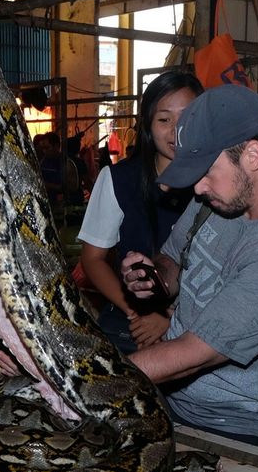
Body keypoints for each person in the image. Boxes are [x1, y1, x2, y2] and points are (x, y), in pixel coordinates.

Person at [120, 85, 258, 453]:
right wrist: (153, 276)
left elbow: (190, 356)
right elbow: (174, 261)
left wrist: (78, 379)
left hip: (243, 432)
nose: (198, 187)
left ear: (252, 154)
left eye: (206, 172)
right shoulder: (220, 198)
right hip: (175, 408)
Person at [77, 70, 202, 353]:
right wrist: (137, 312)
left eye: (188, 119)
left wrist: (172, 318)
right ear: (148, 124)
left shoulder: (218, 184)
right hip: (132, 321)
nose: (176, 131)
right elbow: (92, 259)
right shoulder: (119, 180)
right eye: (164, 119)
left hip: (198, 326)